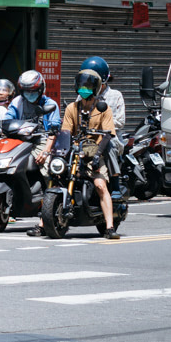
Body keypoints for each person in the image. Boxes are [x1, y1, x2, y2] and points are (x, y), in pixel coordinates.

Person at [63, 63, 122, 239]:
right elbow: (66, 132)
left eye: (88, 86)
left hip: (94, 151)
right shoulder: (71, 108)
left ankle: (110, 227)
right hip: (75, 151)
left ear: (96, 88)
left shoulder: (104, 108)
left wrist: (97, 157)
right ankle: (43, 224)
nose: (84, 89)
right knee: (54, 179)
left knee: (100, 185)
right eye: (82, 86)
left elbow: (108, 135)